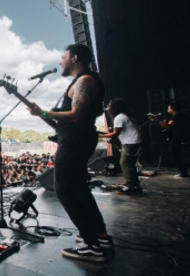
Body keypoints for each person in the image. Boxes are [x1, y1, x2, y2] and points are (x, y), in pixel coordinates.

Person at [27, 44, 111, 262]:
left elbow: (75, 116)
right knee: (80, 188)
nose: (60, 61)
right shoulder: (81, 82)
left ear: (74, 58)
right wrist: (41, 114)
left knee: (64, 190)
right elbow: (62, 120)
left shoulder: (85, 80)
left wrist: (44, 111)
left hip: (74, 142)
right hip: (75, 139)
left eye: (63, 57)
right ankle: (98, 235)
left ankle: (91, 244)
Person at [101, 98, 143, 193]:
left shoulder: (119, 117)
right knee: (130, 164)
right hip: (134, 143)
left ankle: (131, 186)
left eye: (110, 105)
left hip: (131, 143)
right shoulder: (126, 116)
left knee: (124, 163)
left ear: (114, 107)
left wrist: (98, 135)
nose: (108, 107)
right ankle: (135, 185)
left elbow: (115, 133)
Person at [148, 102, 190, 178]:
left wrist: (157, 121)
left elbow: (168, 126)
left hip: (178, 137)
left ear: (172, 108)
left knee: (174, 153)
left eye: (168, 108)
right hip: (183, 137)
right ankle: (183, 172)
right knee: (176, 154)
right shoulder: (182, 115)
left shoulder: (176, 116)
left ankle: (183, 173)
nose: (167, 110)